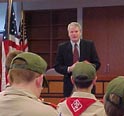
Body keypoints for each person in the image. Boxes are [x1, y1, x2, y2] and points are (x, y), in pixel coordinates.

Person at [54, 22, 101, 97]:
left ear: (80, 33)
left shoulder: (89, 45)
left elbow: (97, 63)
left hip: (87, 84)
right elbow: (57, 66)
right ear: (68, 34)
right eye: (71, 32)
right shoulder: (62, 47)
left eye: (76, 31)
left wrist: (88, 66)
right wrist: (69, 69)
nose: (74, 34)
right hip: (69, 85)